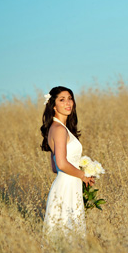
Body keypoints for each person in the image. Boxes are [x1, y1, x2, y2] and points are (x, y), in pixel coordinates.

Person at [40, 86, 94, 241]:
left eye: (70, 98)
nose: (68, 102)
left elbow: (53, 167)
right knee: (67, 235)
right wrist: (83, 175)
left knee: (67, 233)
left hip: (67, 184)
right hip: (67, 186)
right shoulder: (58, 129)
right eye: (62, 100)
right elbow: (61, 164)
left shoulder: (58, 128)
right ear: (53, 105)